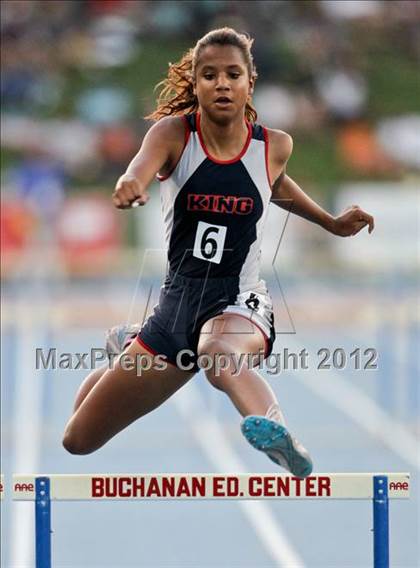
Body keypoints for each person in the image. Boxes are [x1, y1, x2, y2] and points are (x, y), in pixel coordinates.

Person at [62, 28, 374, 477]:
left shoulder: (274, 145)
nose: (222, 84)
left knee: (218, 352)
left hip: (238, 300)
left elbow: (275, 184)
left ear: (250, 81)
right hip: (176, 307)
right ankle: (130, 348)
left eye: (232, 74)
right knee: (77, 439)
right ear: (196, 83)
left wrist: (330, 222)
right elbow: (140, 167)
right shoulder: (174, 135)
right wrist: (130, 183)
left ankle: (277, 433)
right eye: (210, 75)